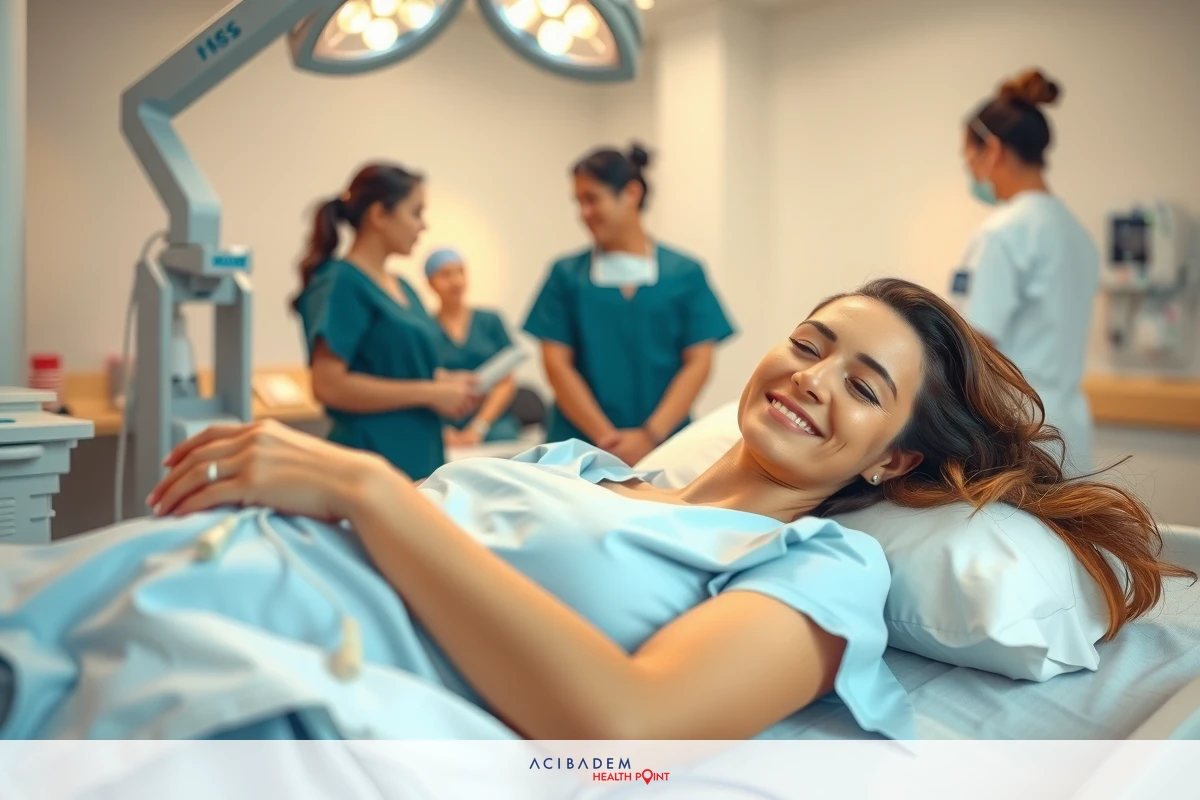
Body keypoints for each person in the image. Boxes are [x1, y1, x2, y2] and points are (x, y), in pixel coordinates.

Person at [0, 278, 1190, 742]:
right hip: (155, 573)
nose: (812, 378)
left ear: (893, 462)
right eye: (812, 342)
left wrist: (362, 484)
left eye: (862, 384)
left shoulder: (823, 567)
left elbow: (630, 718)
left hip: (247, 662)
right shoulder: (572, 462)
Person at [523, 143, 736, 467]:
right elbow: (556, 365)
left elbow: (699, 362)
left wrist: (650, 435)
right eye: (578, 202)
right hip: (578, 446)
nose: (584, 213)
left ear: (632, 193)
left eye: (592, 199)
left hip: (666, 444)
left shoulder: (685, 272)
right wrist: (606, 437)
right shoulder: (566, 275)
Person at [951, 68, 1100, 477]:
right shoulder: (1077, 234)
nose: (970, 169)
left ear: (993, 150)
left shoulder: (1002, 233)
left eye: (969, 156)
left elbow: (971, 345)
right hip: (1068, 426)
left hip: (1017, 429)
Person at [291, 163, 482, 480]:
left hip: (422, 454)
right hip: (371, 460)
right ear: (379, 215)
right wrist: (430, 392)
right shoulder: (341, 282)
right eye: (416, 213)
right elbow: (329, 385)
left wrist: (445, 382)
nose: (423, 226)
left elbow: (399, 367)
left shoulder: (404, 287)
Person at [423, 247, 522, 447]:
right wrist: (442, 430)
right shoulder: (423, 328)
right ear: (430, 283)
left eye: (460, 271)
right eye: (445, 274)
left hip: (492, 423)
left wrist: (479, 427)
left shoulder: (490, 321)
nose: (456, 281)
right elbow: (422, 382)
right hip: (442, 424)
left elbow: (506, 381)